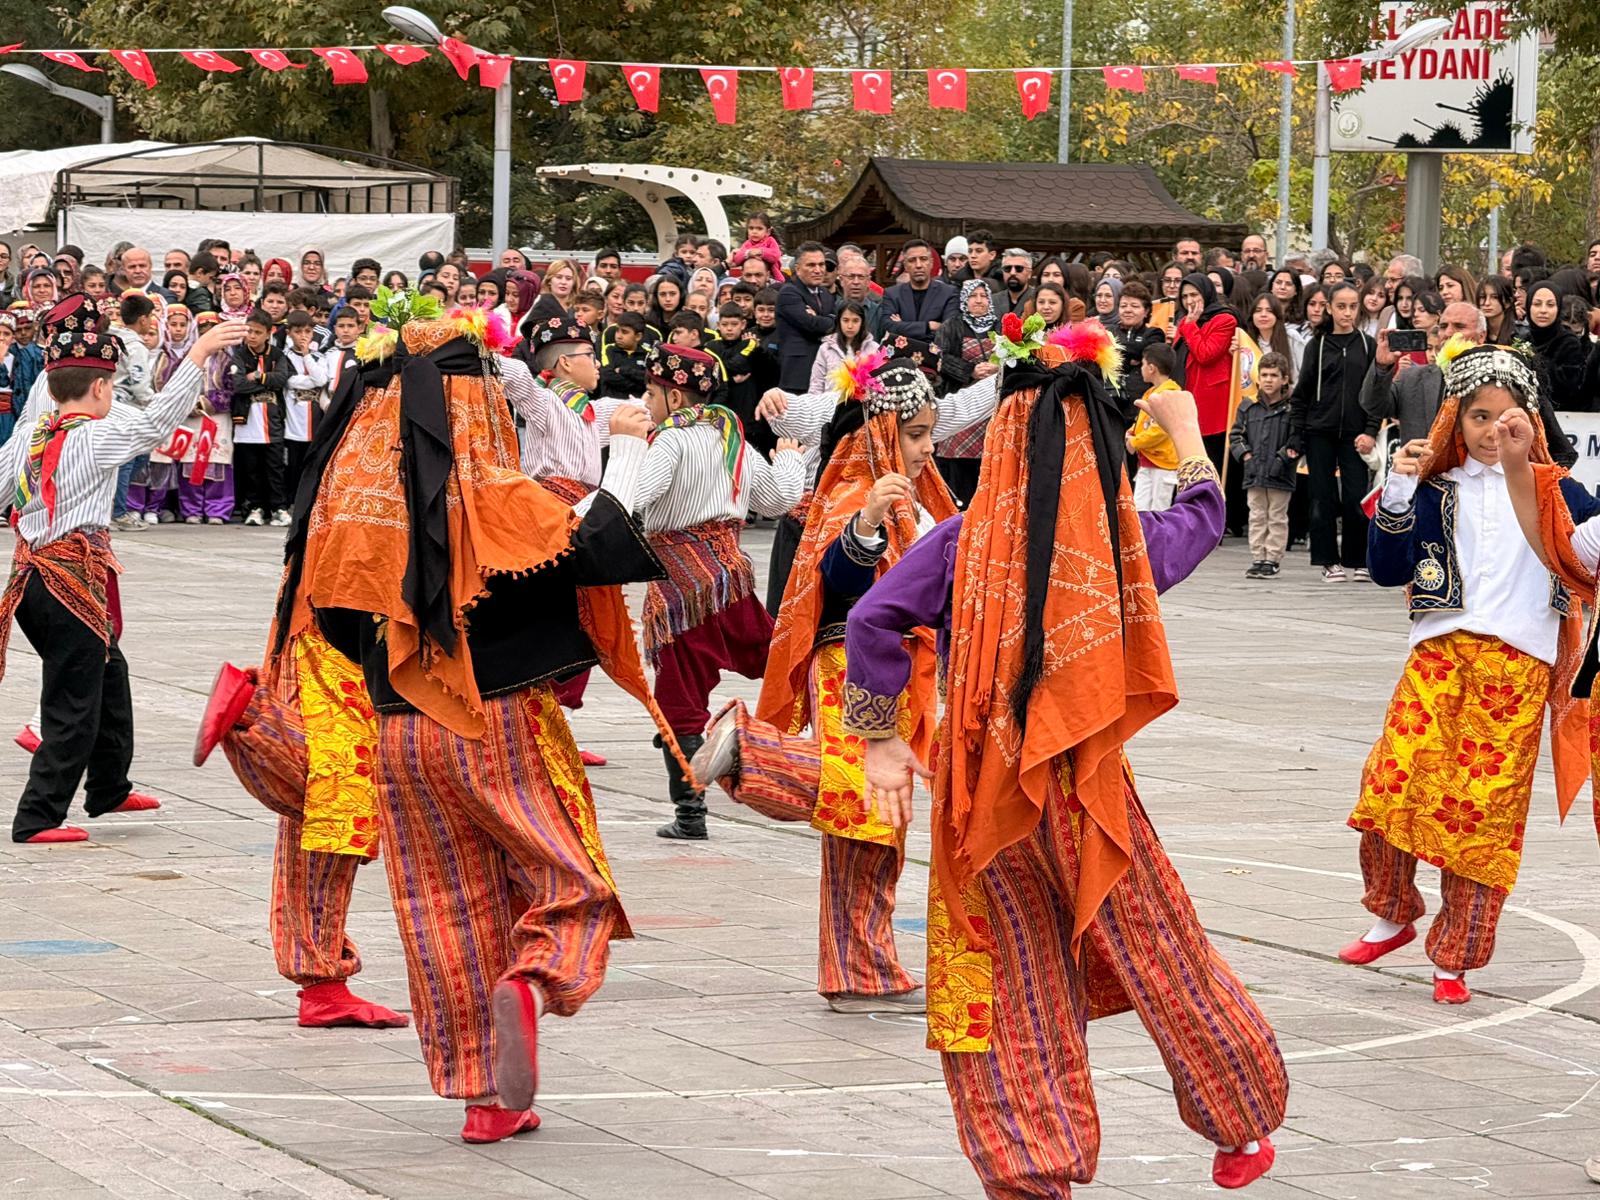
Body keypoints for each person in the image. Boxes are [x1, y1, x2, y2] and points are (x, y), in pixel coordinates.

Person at [845, 332, 1286, 1196]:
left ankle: (1027, 1171)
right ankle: (1240, 1121)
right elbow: (1201, 522)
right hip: (1086, 795)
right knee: (1163, 952)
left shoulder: (957, 542)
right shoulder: (1119, 548)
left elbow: (870, 620)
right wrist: (1191, 440)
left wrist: (882, 739)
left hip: (982, 798)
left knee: (1008, 981)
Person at [269, 299, 682, 1143]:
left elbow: (333, 621)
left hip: (394, 728)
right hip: (495, 721)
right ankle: (536, 977)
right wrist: (634, 451)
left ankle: (490, 1103)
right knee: (572, 879)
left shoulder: (352, 504)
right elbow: (596, 543)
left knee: (441, 909)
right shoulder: (494, 495)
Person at [692, 354, 958, 1013]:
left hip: (889, 666)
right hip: (854, 660)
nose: (926, 447)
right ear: (878, 430)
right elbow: (840, 576)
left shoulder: (911, 498)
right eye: (915, 432)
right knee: (869, 799)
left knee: (872, 824)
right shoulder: (858, 495)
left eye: (929, 433)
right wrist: (867, 524)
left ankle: (858, 970)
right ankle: (751, 749)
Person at [1349, 337, 1593, 1006]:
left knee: (1481, 817)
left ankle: (1455, 958)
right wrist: (1397, 486)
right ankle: (1393, 910)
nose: (1492, 431)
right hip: (1438, 654)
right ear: (1454, 419)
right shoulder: (1431, 487)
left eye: (1507, 417)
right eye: (1478, 416)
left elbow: (1588, 560)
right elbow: (1386, 570)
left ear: (1532, 421)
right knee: (1389, 784)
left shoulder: (1561, 492)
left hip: (1516, 669)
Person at [2, 296, 245, 843]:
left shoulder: (30, 438)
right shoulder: (92, 435)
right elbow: (157, 422)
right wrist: (201, 351)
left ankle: (109, 784)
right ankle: (38, 814)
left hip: (39, 583)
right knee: (74, 698)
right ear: (102, 389)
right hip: (69, 583)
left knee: (110, 672)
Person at [603, 345, 805, 838]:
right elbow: (779, 499)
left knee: (680, 701)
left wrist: (624, 454)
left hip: (679, 595)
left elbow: (633, 495)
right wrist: (792, 460)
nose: (645, 403)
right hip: (731, 582)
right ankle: (827, 750)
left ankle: (690, 814)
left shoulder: (668, 442)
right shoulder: (729, 438)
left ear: (673, 396)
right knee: (783, 663)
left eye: (651, 394)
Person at [1230, 351, 1297, 578]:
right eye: (1265, 375)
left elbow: (1297, 439)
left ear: (1285, 379)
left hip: (1280, 472)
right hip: (1254, 471)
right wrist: (1246, 457)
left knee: (1277, 515)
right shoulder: (1248, 407)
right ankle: (1258, 555)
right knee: (1257, 514)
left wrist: (1283, 459)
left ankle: (1273, 558)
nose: (1268, 380)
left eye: (1274, 375)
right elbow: (1236, 436)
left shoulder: (1292, 409)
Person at [227, 309, 290, 527]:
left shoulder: (277, 355)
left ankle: (278, 508)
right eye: (249, 331)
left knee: (274, 467)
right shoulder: (239, 355)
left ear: (268, 333)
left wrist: (258, 376)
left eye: (257, 332)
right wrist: (264, 382)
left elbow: (281, 378)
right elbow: (238, 384)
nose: (252, 336)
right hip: (247, 422)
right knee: (251, 469)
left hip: (271, 422)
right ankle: (255, 507)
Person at [1172, 273, 1239, 471]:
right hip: (1187, 395)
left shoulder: (1224, 319)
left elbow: (1205, 354)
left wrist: (1191, 326)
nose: (1190, 301)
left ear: (1206, 293)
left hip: (1213, 402)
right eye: (1185, 297)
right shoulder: (1184, 321)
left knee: (1213, 461)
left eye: (1194, 294)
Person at [1127, 342, 1181, 511]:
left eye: (1143, 364)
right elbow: (1142, 421)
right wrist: (1130, 432)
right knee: (1140, 509)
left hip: (1163, 464)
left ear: (1151, 368)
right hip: (1146, 461)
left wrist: (1135, 442)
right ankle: (1144, 539)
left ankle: (1159, 539)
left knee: (1160, 509)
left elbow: (1161, 429)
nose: (1141, 368)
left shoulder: (1170, 393)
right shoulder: (1150, 392)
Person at [775, 243, 836, 390]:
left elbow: (835, 323)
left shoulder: (826, 294)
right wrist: (827, 321)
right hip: (798, 374)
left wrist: (823, 321)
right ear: (797, 268)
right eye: (811, 265)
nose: (818, 270)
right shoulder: (788, 293)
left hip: (825, 372)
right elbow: (811, 325)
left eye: (821, 264)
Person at [1526, 281, 1586, 409]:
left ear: (1558, 308)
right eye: (1537, 304)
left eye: (1550, 305)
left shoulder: (1569, 343)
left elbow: (1568, 389)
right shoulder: (1522, 339)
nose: (1543, 310)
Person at [882, 241, 957, 341]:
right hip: (902, 355)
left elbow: (949, 330)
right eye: (912, 260)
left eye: (923, 259)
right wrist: (928, 326)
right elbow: (889, 327)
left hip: (937, 354)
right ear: (905, 265)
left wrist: (902, 326)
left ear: (931, 263)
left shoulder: (949, 293)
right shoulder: (892, 294)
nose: (918, 265)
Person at [1114, 281, 1165, 398]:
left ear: (1146, 311)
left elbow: (1146, 351)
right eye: (1123, 306)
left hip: (1144, 400)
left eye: (1134, 306)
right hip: (1111, 400)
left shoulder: (1154, 333)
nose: (1128, 310)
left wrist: (1115, 349)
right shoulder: (1108, 332)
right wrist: (1130, 360)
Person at [731, 213, 785, 283]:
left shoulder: (770, 241)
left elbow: (775, 255)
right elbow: (737, 259)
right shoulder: (747, 244)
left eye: (759, 229)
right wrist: (748, 253)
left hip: (772, 275)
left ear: (768, 231)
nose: (754, 232)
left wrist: (761, 252)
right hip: (750, 275)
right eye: (751, 228)